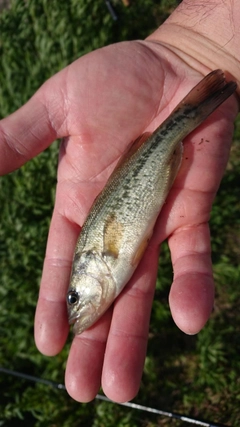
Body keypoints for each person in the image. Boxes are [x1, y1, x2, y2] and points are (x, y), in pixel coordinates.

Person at [0, 0, 239, 403]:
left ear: (86, 271)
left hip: (145, 170)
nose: (75, 307)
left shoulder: (102, 255)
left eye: (73, 296)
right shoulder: (103, 271)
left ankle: (195, 105)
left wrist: (199, 44)